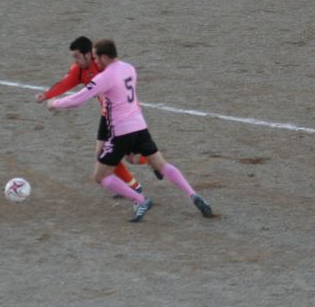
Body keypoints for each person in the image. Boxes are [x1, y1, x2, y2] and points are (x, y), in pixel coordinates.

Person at [47, 39, 214, 223]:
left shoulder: (104, 77)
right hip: (140, 127)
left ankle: (140, 199)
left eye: (97, 58)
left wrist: (55, 103)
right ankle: (193, 194)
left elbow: (77, 100)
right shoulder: (129, 68)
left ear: (104, 57)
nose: (96, 62)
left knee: (100, 176)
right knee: (162, 165)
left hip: (120, 132)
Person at [36, 36, 146, 194]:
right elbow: (67, 82)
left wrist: (54, 103)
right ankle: (134, 186)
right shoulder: (79, 70)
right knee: (102, 154)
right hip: (107, 114)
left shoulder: (103, 66)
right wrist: (48, 95)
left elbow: (79, 99)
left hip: (122, 115)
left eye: (77, 57)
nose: (75, 61)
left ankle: (152, 159)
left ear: (88, 54)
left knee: (131, 156)